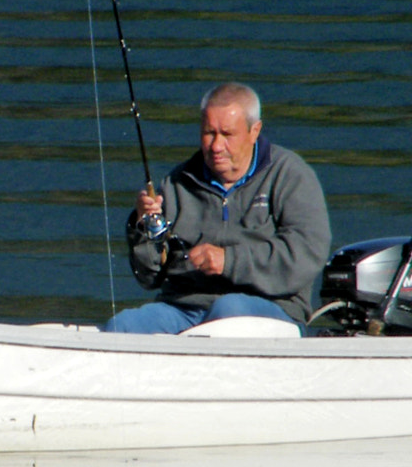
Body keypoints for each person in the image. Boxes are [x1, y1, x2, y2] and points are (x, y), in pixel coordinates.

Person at [104, 82, 331, 334]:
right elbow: (149, 277)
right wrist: (142, 226)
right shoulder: (177, 183)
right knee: (122, 326)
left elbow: (306, 253)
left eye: (227, 134)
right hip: (184, 308)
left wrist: (229, 261)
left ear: (254, 131)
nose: (216, 146)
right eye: (209, 133)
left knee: (227, 313)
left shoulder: (290, 175)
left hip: (271, 308)